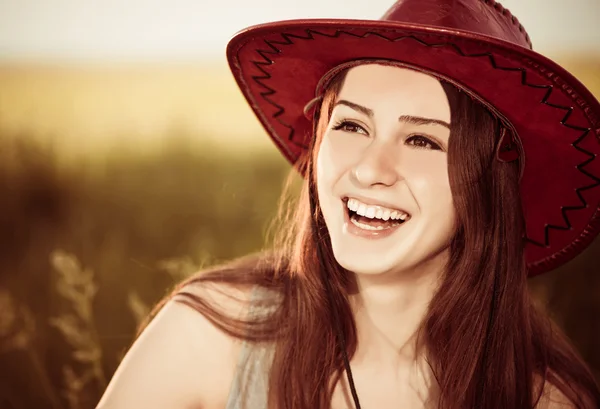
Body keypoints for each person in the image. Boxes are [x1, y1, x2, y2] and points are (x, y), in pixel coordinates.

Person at [96, 0, 600, 408]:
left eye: (423, 140)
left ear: (490, 184)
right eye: (352, 126)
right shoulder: (208, 337)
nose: (369, 170)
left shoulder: (545, 398)